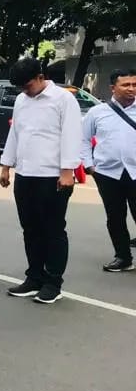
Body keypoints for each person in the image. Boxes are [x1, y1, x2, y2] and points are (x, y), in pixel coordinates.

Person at [0, 57, 83, 304]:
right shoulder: (21, 100)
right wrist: (6, 166)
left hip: (53, 176)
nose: (25, 91)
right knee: (30, 228)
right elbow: (15, 133)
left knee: (53, 230)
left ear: (40, 77)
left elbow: (72, 135)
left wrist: (67, 171)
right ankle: (34, 277)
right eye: (21, 88)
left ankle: (53, 283)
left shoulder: (63, 99)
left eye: (28, 85)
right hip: (25, 174)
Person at [80, 68, 136, 272]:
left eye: (134, 85)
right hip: (107, 174)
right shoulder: (97, 112)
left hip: (135, 172)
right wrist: (89, 165)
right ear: (113, 88)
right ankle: (123, 257)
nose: (131, 88)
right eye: (126, 85)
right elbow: (83, 139)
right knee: (115, 217)